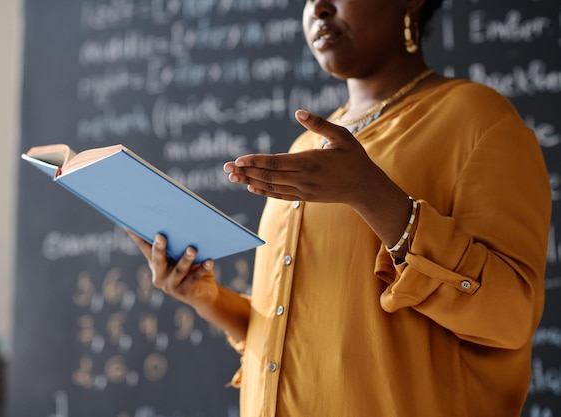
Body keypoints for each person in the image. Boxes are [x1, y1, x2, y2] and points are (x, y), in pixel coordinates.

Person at [128, 0, 552, 415]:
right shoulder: (307, 146)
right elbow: (307, 334)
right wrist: (209, 298)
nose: (319, 7)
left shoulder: (478, 119)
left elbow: (510, 316)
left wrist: (373, 195)